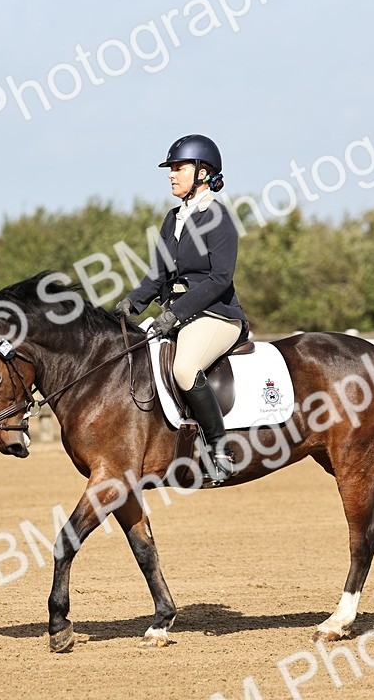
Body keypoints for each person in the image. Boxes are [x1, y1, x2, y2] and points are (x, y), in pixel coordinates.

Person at [114, 134, 249, 485]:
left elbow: (220, 279)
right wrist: (130, 304)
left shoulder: (219, 218)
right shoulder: (173, 217)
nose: (171, 175)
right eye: (170, 169)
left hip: (217, 315)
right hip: (178, 315)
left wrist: (174, 314)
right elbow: (157, 275)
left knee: (185, 368)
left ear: (203, 173)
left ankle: (220, 451)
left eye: (179, 168)